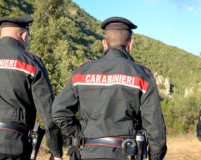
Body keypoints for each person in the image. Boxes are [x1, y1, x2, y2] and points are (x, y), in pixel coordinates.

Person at [52, 17, 167, 160]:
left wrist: (80, 134)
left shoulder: (81, 72)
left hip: (87, 153)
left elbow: (58, 111)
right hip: (126, 154)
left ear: (104, 44)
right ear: (130, 45)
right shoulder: (142, 75)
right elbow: (155, 128)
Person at [0, 15, 63, 160]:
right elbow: (48, 113)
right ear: (24, 35)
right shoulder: (31, 62)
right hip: (13, 146)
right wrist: (56, 151)